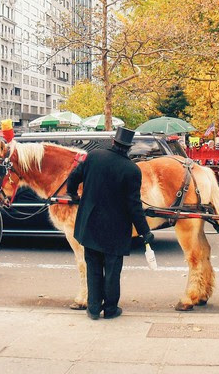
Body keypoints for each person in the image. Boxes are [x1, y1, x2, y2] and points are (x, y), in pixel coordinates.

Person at [67, 127, 154, 320]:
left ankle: (93, 308)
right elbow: (134, 206)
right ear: (128, 148)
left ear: (113, 142)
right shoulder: (132, 170)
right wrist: (144, 231)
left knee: (93, 266)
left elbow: (73, 178)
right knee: (113, 270)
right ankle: (111, 309)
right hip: (115, 229)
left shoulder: (93, 156)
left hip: (90, 224)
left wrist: (72, 193)